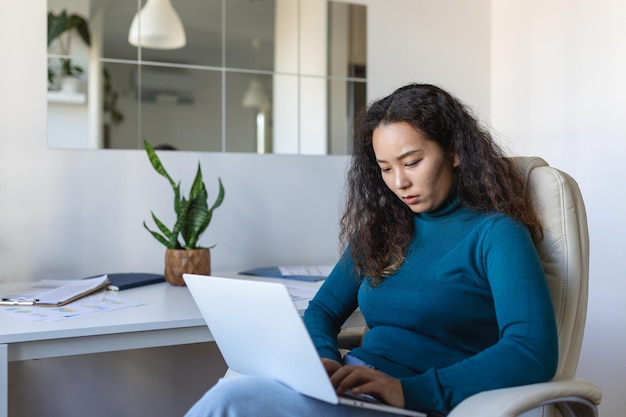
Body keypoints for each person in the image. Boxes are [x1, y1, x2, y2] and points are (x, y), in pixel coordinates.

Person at [184, 83, 558, 417]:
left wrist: (408, 390)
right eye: (385, 168)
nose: (400, 182)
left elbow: (531, 350)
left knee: (234, 401)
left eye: (412, 162)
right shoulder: (384, 230)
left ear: (455, 151)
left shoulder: (496, 234)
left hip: (417, 402)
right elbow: (324, 311)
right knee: (237, 389)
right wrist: (323, 360)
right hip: (354, 388)